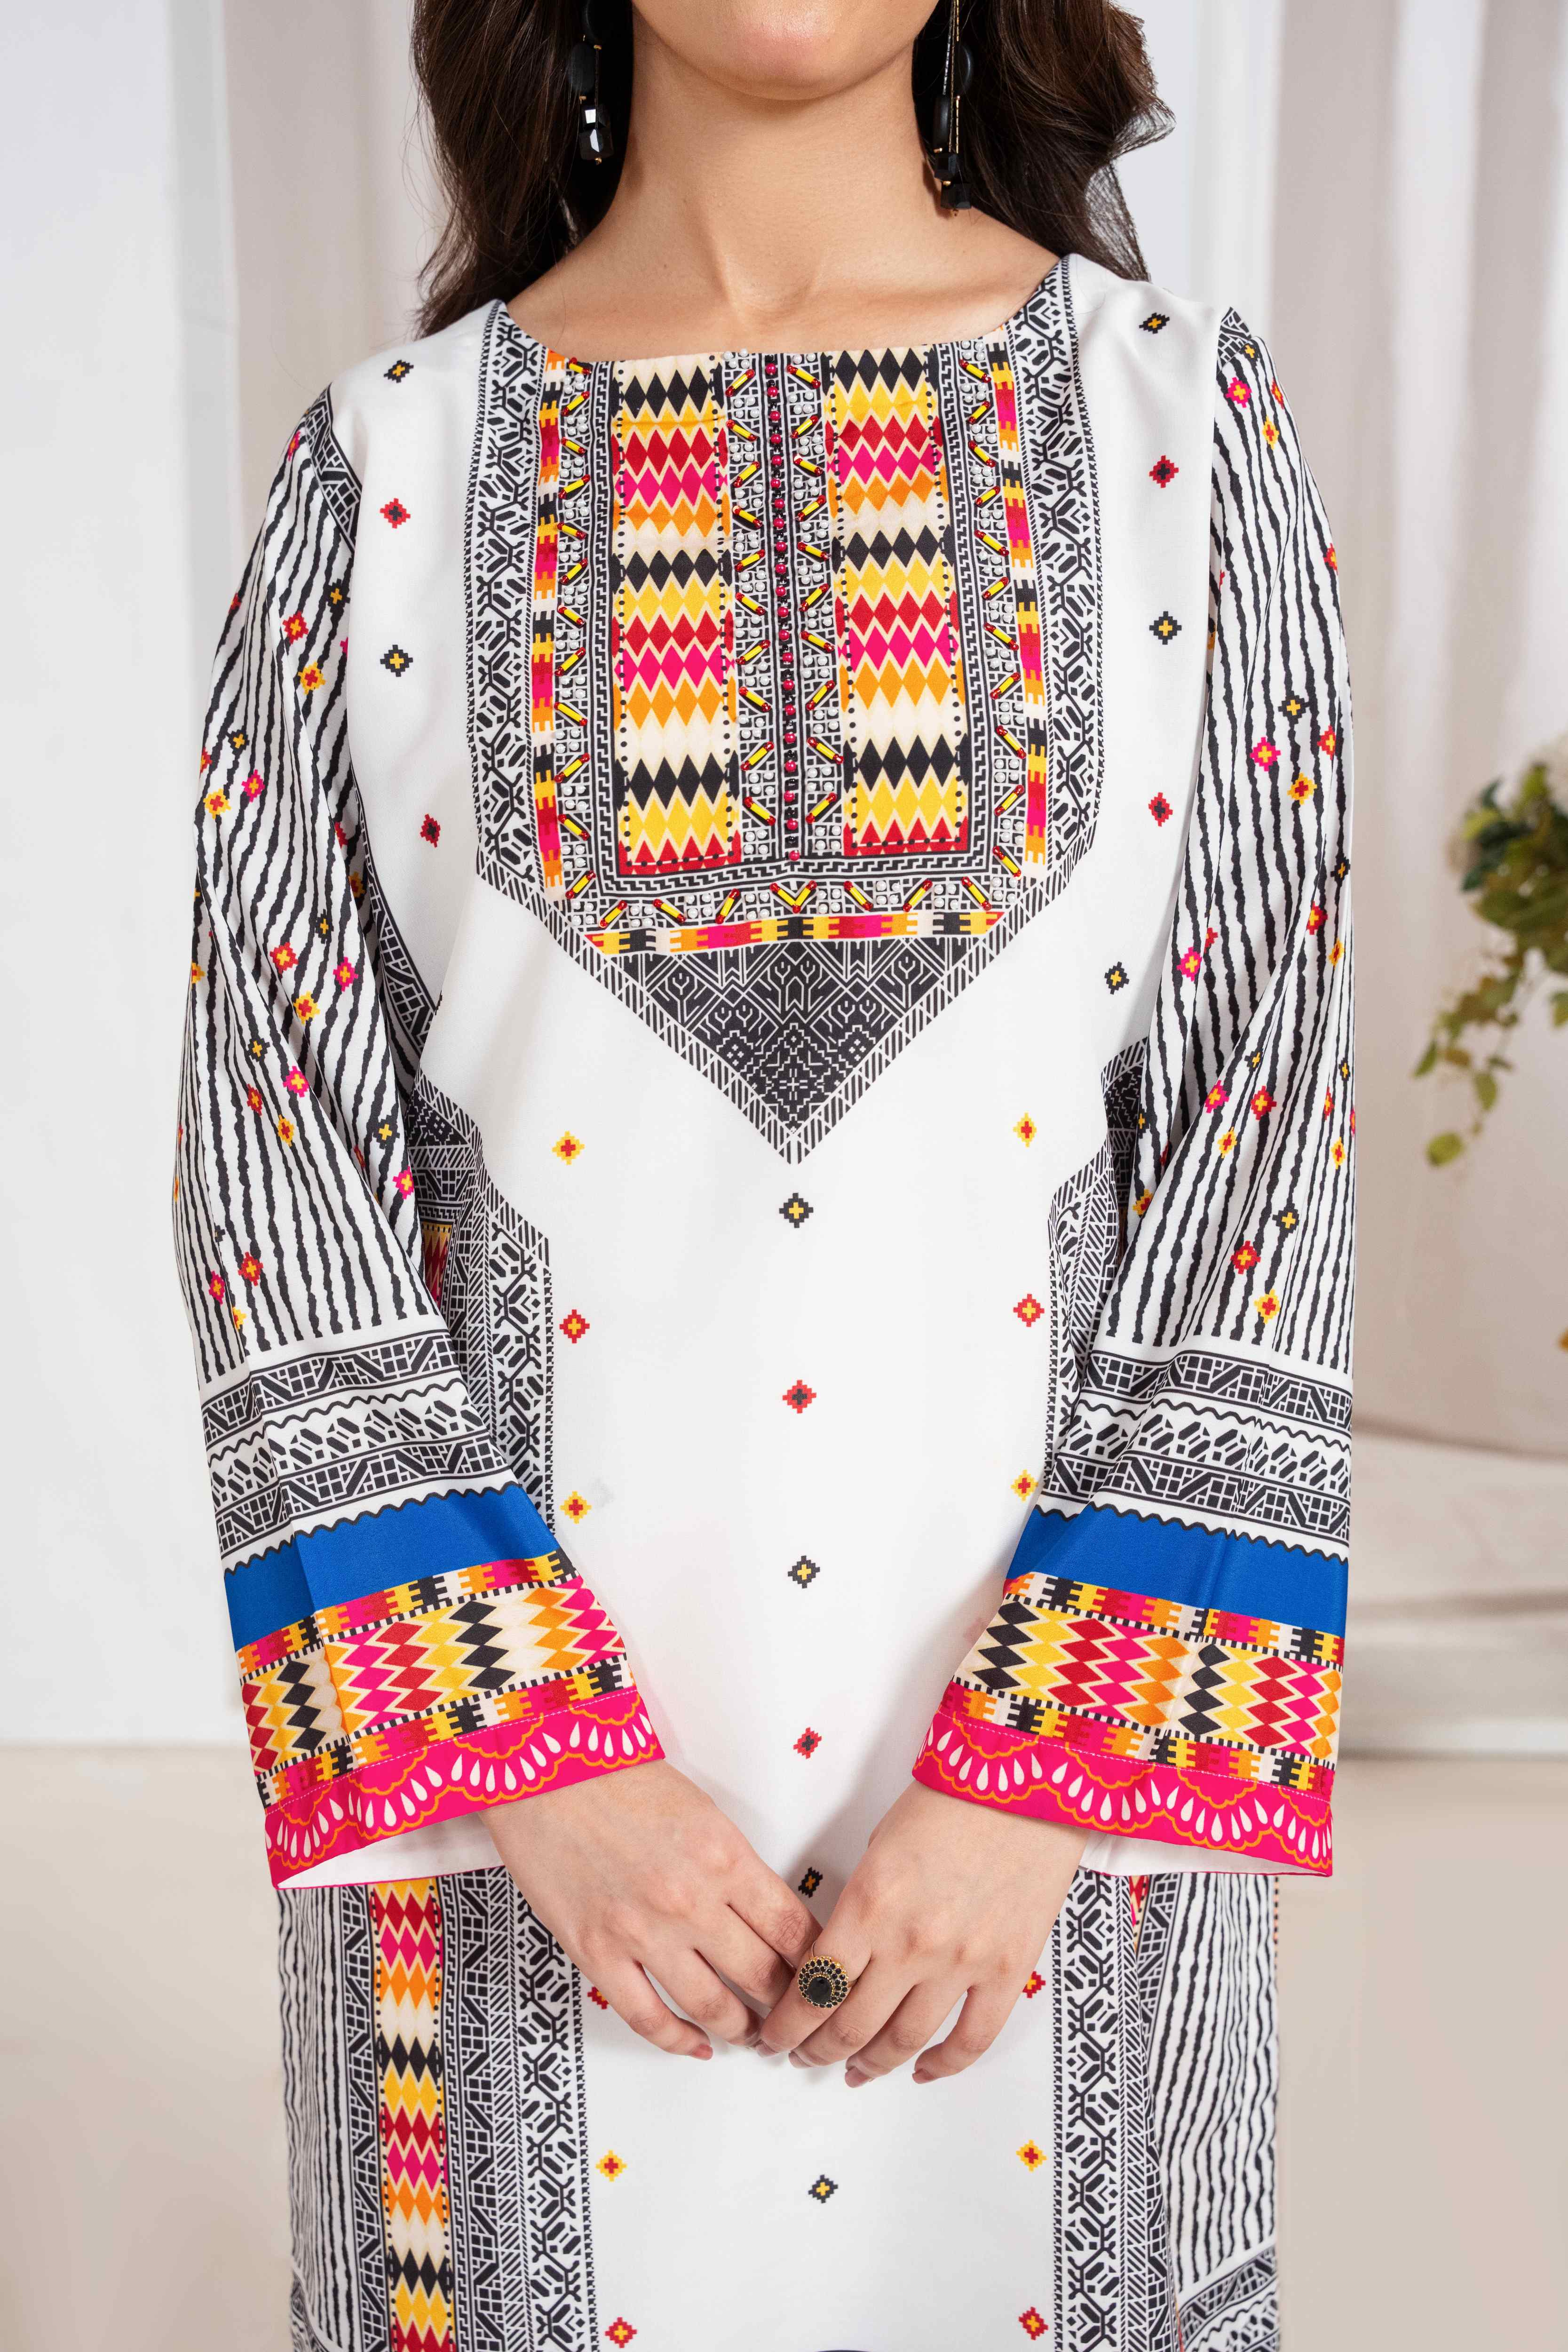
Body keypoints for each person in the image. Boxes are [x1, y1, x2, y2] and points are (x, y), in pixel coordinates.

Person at [174, 1, 1353, 2344]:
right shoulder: (376, 473)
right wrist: (544, 1775)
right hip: (516, 1865)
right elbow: (272, 1164)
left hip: (1048, 1885)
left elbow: (1259, 1130)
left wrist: (1037, 1777)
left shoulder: (1182, 439)